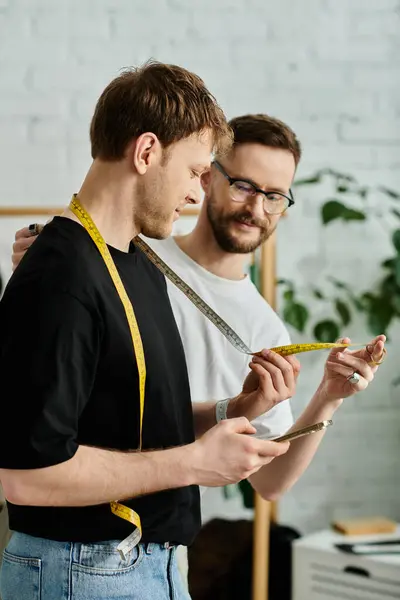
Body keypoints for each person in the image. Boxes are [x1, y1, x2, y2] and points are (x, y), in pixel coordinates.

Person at [10, 111, 387, 590]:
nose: (257, 208)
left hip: (159, 552)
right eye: (244, 186)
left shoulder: (262, 325)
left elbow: (269, 483)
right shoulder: (129, 252)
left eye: (275, 196)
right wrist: (51, 259)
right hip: (74, 544)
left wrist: (327, 395)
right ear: (207, 177)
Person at [0, 61, 306, 600]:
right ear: (145, 153)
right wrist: (195, 462)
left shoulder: (138, 264)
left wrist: (234, 411)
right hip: (84, 573)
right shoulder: (60, 275)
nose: (197, 194)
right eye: (194, 171)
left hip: (146, 567)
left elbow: (130, 422)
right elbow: (26, 476)